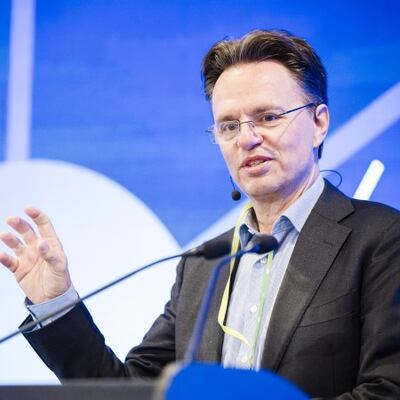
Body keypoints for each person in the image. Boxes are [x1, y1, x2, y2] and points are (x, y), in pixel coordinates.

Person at [1, 29, 400, 399]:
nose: (247, 138)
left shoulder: (381, 239)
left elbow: (388, 388)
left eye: (268, 117)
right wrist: (55, 302)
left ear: (319, 123)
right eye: (228, 126)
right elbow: (129, 392)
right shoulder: (205, 266)